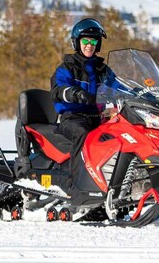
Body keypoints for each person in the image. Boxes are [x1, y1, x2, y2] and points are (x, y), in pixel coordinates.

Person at [49, 17, 113, 197]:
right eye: (85, 40)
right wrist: (75, 93)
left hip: (100, 117)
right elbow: (57, 90)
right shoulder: (67, 68)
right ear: (77, 42)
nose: (89, 45)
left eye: (93, 41)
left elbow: (119, 87)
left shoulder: (104, 70)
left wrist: (138, 92)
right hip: (73, 117)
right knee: (83, 133)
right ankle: (76, 186)